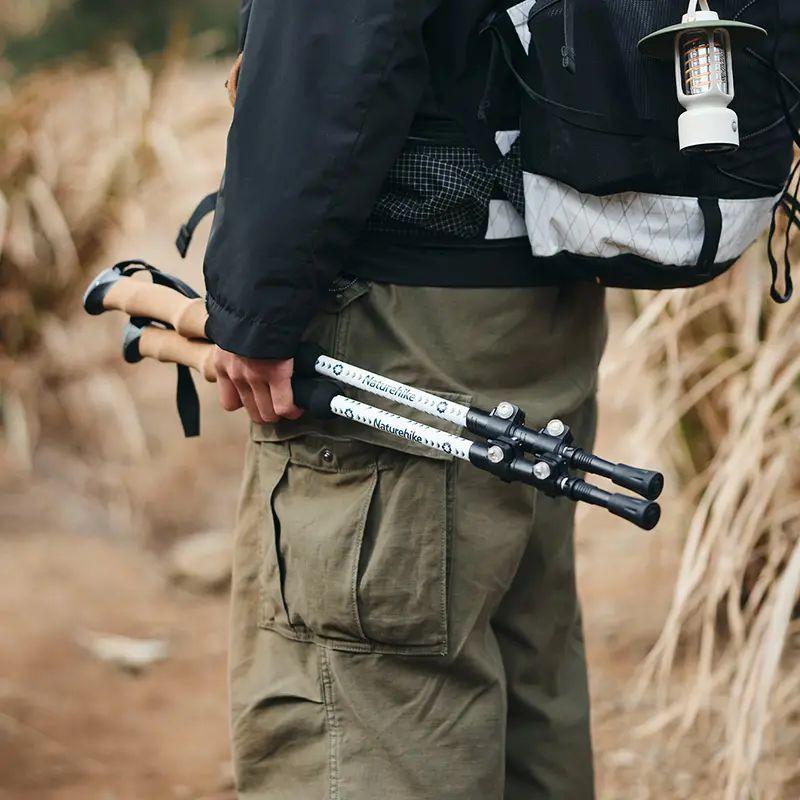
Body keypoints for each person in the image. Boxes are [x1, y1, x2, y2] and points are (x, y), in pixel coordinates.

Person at [203, 2, 607, 798]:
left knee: (370, 697)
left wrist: (258, 302)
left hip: (403, 321)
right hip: (539, 307)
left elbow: (334, 35)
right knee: (524, 665)